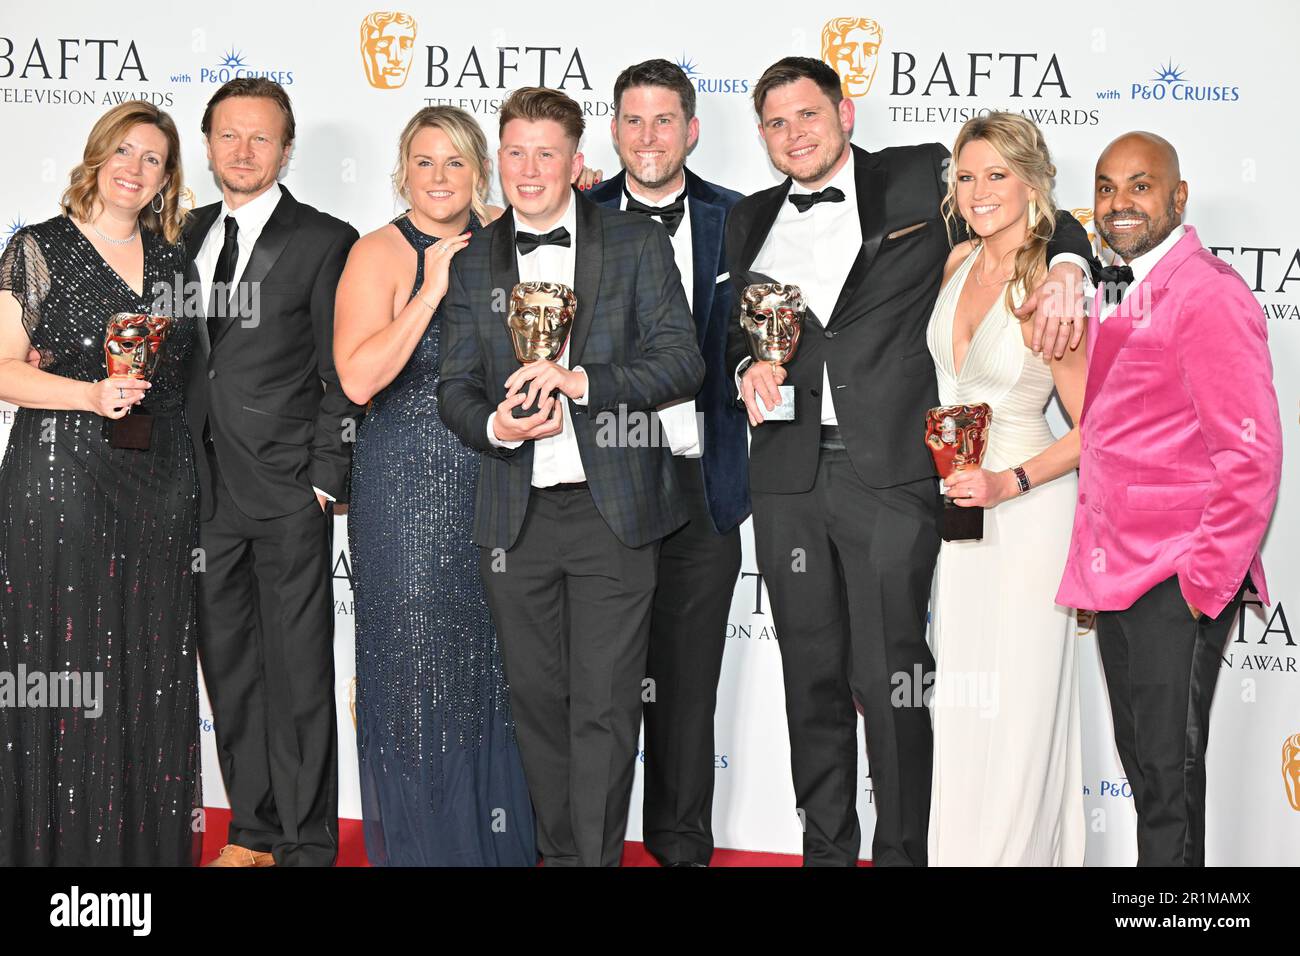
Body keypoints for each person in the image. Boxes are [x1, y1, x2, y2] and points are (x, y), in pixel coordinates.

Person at [725, 56, 1093, 866]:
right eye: (777, 124)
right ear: (762, 138)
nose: (795, 134)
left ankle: (903, 854)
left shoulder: (918, 178)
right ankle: (826, 849)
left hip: (891, 474)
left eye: (809, 115)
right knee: (808, 680)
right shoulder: (746, 220)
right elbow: (735, 331)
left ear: (846, 114)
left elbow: (1022, 207)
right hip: (786, 478)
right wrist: (744, 365)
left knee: (892, 677)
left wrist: (1071, 263)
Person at [437, 86, 704, 867]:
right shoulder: (472, 259)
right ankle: (560, 856)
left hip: (611, 510)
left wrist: (581, 381)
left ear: (577, 163)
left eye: (545, 153)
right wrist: (495, 424)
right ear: (498, 162)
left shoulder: (633, 243)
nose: (528, 168)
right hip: (513, 515)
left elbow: (681, 361)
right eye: (514, 152)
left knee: (606, 706)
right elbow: (456, 387)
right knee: (537, 705)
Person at [1056, 131, 1282, 867]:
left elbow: (1250, 454)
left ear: (1178, 198)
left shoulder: (1208, 293)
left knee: (1166, 779)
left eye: (1141, 186)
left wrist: (1201, 585)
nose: (1120, 204)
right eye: (1107, 188)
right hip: (1120, 573)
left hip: (1177, 578)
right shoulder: (1121, 286)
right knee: (1149, 775)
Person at [333, 106, 535, 866]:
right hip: (406, 482)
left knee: (499, 662)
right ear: (402, 171)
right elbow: (357, 377)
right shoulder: (379, 251)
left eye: (455, 162)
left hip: (499, 473)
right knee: (418, 668)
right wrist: (432, 286)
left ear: (479, 169)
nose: (440, 178)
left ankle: (500, 843)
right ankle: (428, 848)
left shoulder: (511, 236)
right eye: (424, 162)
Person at [0, 101, 201, 865]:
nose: (134, 167)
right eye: (123, 151)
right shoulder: (37, 249)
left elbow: (183, 383)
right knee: (65, 664)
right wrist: (87, 394)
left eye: (152, 158)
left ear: (166, 178)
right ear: (96, 157)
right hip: (59, 481)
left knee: (147, 672)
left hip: (157, 487)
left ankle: (136, 855)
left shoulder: (176, 263)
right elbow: (3, 369)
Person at [184, 78, 363, 867]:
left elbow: (343, 374)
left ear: (285, 149)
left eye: (260, 138)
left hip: (288, 490)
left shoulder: (326, 239)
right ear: (209, 143)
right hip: (195, 493)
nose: (244, 152)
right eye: (229, 136)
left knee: (297, 673)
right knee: (229, 670)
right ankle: (251, 831)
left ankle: (305, 841)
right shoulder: (178, 233)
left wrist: (326, 477)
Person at [586, 59, 747, 867]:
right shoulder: (570, 215)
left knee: (686, 685)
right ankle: (588, 846)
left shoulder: (741, 219)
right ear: (612, 130)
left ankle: (681, 846)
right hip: (597, 488)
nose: (648, 137)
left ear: (691, 129)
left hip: (698, 483)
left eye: (664, 120)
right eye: (633, 120)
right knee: (601, 684)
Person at [924, 112, 1085, 866]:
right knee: (962, 702)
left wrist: (1009, 481)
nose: (980, 190)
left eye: (997, 175)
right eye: (967, 175)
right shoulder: (957, 259)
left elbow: (1098, 430)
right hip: (961, 510)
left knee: (1019, 707)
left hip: (1028, 510)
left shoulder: (1053, 288)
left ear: (1031, 182)